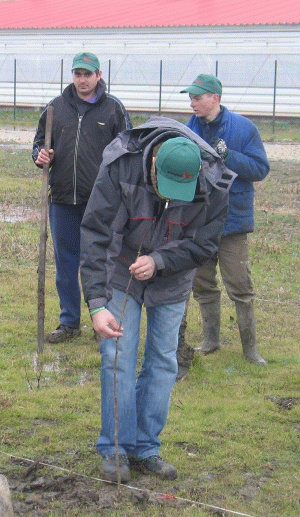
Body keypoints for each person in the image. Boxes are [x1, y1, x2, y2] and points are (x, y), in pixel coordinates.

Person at [80, 116, 236, 482]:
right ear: (152, 164)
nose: (169, 198)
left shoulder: (214, 184)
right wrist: (98, 304)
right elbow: (98, 235)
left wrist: (161, 260)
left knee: (164, 360)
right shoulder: (121, 166)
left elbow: (205, 244)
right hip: (120, 271)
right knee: (117, 355)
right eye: (164, 187)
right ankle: (116, 447)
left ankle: (146, 448)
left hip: (172, 277)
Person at [32, 52, 131, 343]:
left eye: (87, 74)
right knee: (66, 263)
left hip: (100, 202)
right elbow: (39, 142)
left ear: (98, 75)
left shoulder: (113, 109)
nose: (82, 79)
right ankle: (69, 323)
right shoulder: (55, 108)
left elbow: (127, 151)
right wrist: (39, 155)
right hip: (62, 199)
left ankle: (104, 322)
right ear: (72, 75)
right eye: (77, 74)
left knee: (102, 260)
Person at [178, 73, 270, 370]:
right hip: (199, 220)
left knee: (240, 286)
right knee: (202, 283)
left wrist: (229, 156)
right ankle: (211, 340)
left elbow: (259, 169)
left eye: (197, 97)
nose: (192, 102)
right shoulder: (185, 131)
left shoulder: (244, 128)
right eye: (190, 97)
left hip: (232, 221)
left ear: (214, 98)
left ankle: (251, 350)